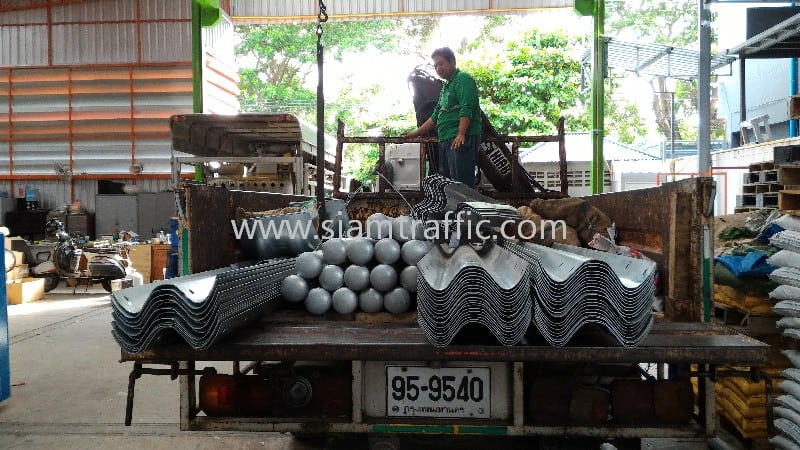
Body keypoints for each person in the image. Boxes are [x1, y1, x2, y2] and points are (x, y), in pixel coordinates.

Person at [405, 47, 482, 188]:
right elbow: (435, 117)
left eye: (441, 64)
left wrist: (461, 134)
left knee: (462, 185)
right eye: (435, 66)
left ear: (452, 61)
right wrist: (415, 133)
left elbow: (467, 107)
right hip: (445, 139)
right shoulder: (446, 88)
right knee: (446, 185)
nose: (438, 68)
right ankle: (450, 211)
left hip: (460, 140)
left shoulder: (463, 79)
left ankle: (464, 209)